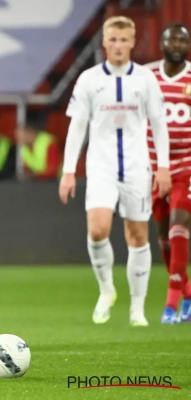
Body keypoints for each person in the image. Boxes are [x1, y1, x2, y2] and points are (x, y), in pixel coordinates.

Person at [59, 16, 171, 326]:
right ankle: (106, 289)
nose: (118, 45)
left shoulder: (145, 79)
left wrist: (162, 167)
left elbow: (159, 124)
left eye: (124, 40)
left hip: (137, 166)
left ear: (132, 42)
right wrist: (68, 170)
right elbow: (77, 126)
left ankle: (137, 308)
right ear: (104, 42)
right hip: (101, 166)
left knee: (137, 235)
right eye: (113, 39)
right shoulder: (89, 79)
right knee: (97, 230)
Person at [146, 24, 191, 324]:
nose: (176, 44)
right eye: (171, 40)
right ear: (161, 44)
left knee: (179, 223)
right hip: (154, 168)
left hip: (187, 165)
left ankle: (170, 305)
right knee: (163, 237)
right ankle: (188, 295)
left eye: (182, 40)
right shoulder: (147, 77)